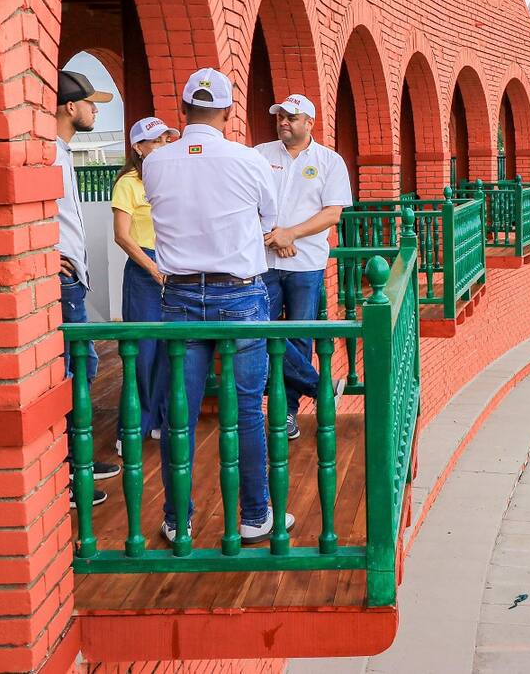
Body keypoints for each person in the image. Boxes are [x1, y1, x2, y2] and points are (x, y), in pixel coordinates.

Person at [143, 67, 291, 545]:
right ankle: (254, 515)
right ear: (229, 115)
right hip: (241, 294)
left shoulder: (156, 162)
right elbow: (270, 218)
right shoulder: (248, 161)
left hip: (180, 295)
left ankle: (177, 519)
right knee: (247, 409)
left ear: (182, 110)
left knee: (177, 415)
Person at [255, 94, 353, 440]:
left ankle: (288, 414)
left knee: (299, 337)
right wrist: (275, 236)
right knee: (261, 332)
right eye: (280, 116)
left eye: (291, 117)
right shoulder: (259, 155)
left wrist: (290, 234)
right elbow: (244, 201)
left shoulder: (329, 161)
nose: (283, 122)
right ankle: (318, 385)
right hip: (263, 261)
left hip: (306, 263)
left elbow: (332, 213)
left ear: (309, 122)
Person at [54, 68, 122, 506]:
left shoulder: (62, 150)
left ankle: (77, 461)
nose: (96, 109)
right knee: (73, 374)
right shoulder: (47, 153)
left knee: (84, 370)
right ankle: (69, 475)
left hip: (71, 279)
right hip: (60, 283)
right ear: (70, 106)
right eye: (90, 103)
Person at [111, 116, 180, 453]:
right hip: (144, 271)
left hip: (173, 268)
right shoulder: (128, 183)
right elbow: (122, 236)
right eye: (155, 140)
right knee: (142, 352)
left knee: (168, 351)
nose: (163, 145)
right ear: (138, 148)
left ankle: (157, 421)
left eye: (166, 139)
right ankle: (130, 429)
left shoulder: (170, 180)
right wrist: (153, 268)